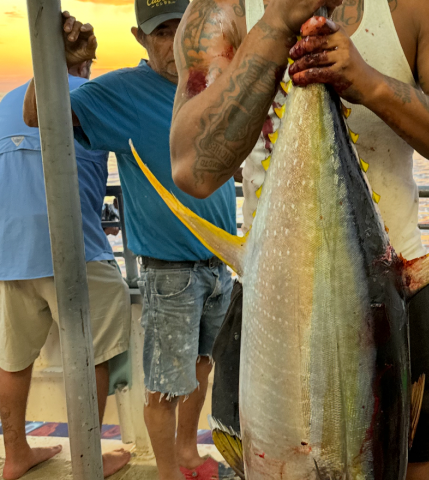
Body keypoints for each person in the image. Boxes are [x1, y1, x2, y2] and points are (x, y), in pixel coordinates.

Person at [169, 0, 429, 479]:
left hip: (398, 294)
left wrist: (371, 84)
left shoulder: (418, 8)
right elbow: (191, 167)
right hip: (271, 303)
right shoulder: (222, 10)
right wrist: (275, 26)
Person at [23, 4, 238, 479]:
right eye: (163, 32)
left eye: (183, 29)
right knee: (164, 387)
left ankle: (187, 454)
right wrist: (55, 62)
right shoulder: (121, 91)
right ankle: (167, 474)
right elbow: (38, 114)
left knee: (203, 367)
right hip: (169, 273)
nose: (175, 43)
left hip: (220, 264)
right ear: (140, 37)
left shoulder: (215, 82)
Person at [0, 59, 132, 479]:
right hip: (70, 247)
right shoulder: (94, 96)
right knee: (94, 349)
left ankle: (15, 453)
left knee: (13, 359)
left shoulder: (6, 101)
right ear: (86, 63)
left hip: (9, 251)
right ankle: (86, 458)